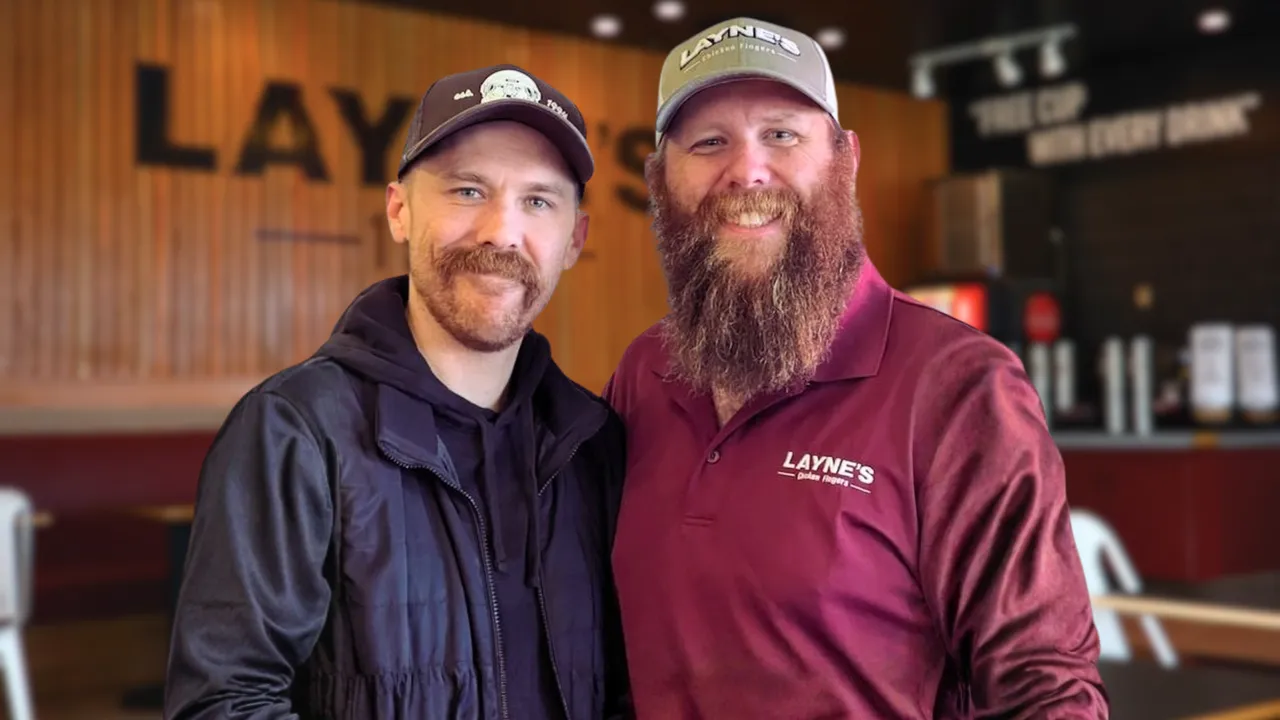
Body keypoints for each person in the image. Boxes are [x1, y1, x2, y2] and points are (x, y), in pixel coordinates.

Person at [603, 18, 1109, 719]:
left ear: (845, 158)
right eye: (709, 142)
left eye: (782, 134)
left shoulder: (958, 386)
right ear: (661, 179)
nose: (747, 170)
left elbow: (1043, 692)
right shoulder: (643, 374)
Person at [165, 64, 630, 719]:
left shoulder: (595, 445)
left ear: (573, 239)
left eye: (538, 201)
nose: (502, 231)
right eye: (468, 191)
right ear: (399, 211)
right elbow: (225, 702)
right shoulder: (296, 433)